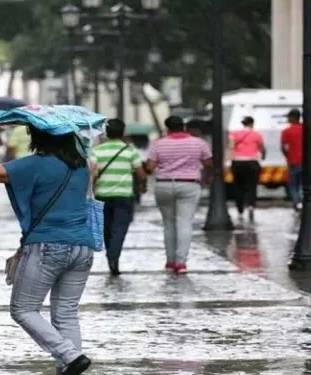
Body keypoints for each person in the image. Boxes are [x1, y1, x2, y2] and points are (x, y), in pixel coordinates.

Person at [0, 116, 94, 375]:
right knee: (66, 313)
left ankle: (70, 356)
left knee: (23, 309)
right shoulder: (82, 167)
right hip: (83, 246)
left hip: (48, 246)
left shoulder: (36, 163)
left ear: (38, 138)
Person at [146, 116, 213, 274]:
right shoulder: (198, 143)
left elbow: (150, 167)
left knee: (168, 224)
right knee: (184, 222)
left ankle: (170, 261)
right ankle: (181, 262)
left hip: (164, 185)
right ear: (184, 127)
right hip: (189, 184)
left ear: (167, 128)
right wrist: (205, 177)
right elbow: (209, 164)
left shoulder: (159, 144)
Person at [93, 119, 147, 276]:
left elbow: (93, 174)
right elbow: (141, 173)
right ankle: (113, 257)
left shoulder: (98, 151)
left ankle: (111, 254)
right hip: (124, 195)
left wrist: (90, 191)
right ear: (123, 133)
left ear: (106, 133)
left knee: (107, 228)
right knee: (120, 228)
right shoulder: (130, 150)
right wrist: (143, 185)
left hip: (102, 195)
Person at [229, 116, 266, 221]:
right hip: (252, 162)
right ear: (252, 124)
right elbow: (262, 148)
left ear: (243, 124)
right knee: (252, 185)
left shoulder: (234, 134)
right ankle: (250, 206)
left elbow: (231, 147)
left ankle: (240, 210)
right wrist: (263, 156)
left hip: (238, 162)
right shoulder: (257, 135)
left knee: (238, 186)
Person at [281, 108, 303, 212]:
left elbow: (284, 147)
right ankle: (303, 203)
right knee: (304, 185)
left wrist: (288, 156)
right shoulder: (305, 129)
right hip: (306, 162)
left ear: (292, 118)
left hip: (293, 162)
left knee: (293, 185)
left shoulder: (286, 131)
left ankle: (297, 203)